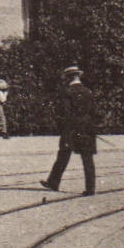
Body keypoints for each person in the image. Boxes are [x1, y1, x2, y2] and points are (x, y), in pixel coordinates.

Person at [42, 66, 99, 196]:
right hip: (87, 128)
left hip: (71, 128)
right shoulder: (88, 91)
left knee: (63, 154)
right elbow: (94, 112)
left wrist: (63, 128)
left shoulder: (67, 92)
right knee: (87, 158)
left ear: (69, 77)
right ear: (78, 76)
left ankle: (53, 182)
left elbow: (65, 113)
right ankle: (90, 188)